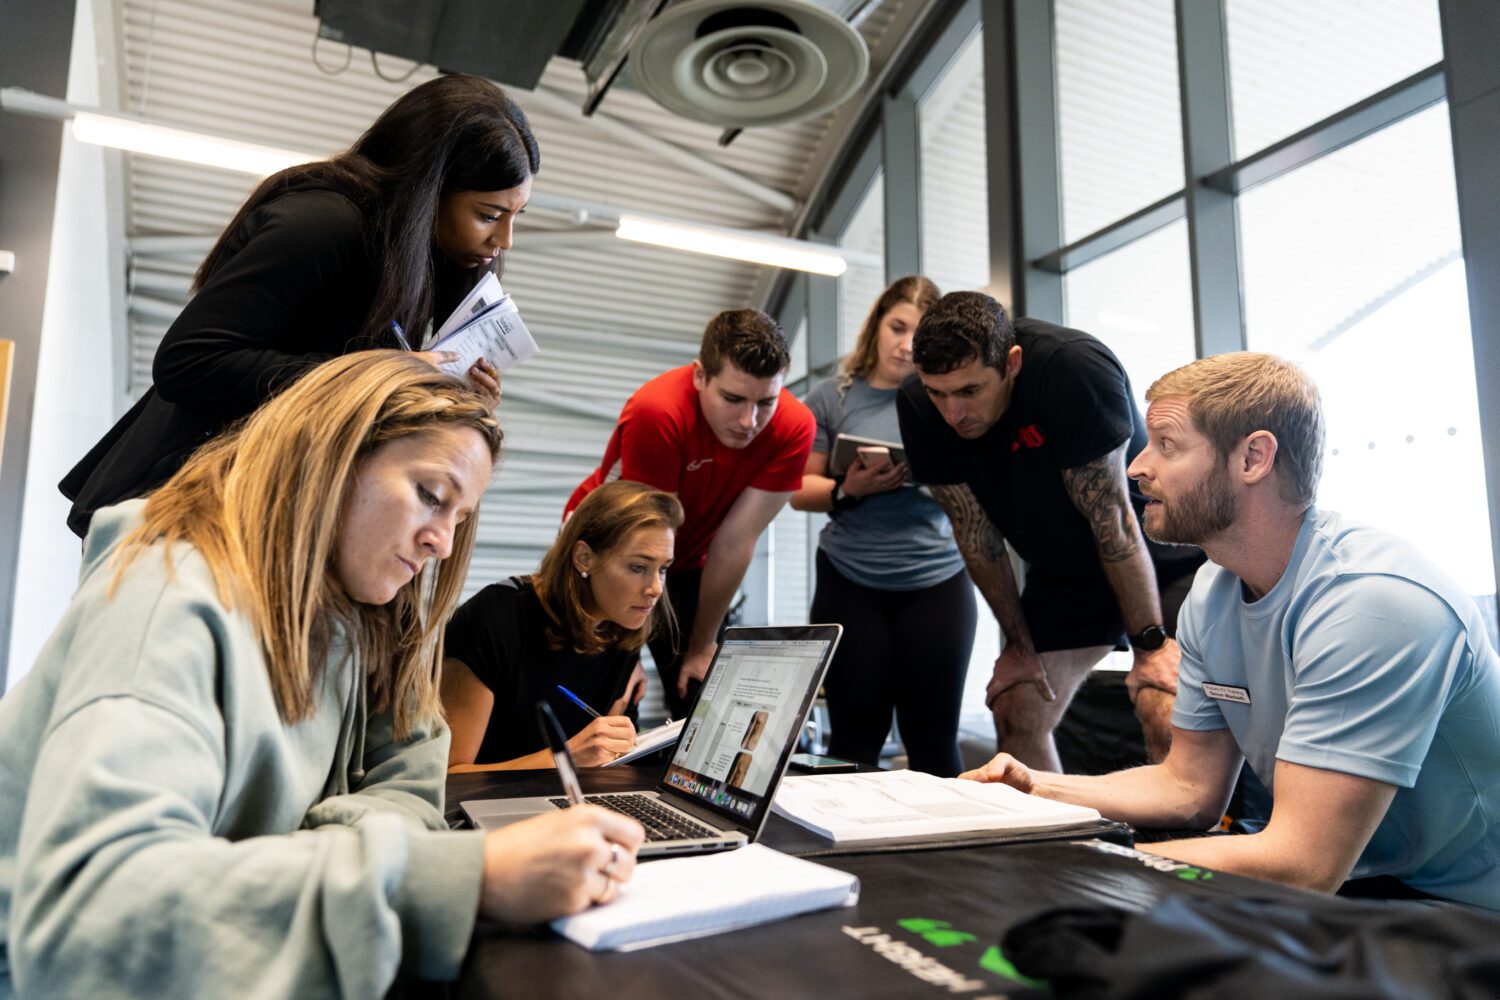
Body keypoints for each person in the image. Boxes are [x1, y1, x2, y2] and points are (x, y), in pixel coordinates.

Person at [0, 353, 645, 998]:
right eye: (430, 496)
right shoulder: (166, 600)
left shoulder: (365, 613)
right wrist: (466, 880)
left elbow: (410, 781)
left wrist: (331, 850)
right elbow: (94, 917)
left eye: (459, 518)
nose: (443, 544)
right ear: (330, 458)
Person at [961, 352, 1500, 909]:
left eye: (1166, 444)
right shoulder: (1213, 590)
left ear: (1253, 458)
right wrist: (1035, 787)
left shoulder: (1373, 603)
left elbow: (1301, 864)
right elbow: (1188, 788)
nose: (1137, 466)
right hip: (1360, 890)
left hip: (1465, 910)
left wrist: (1079, 863)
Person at [59, 72, 535, 537]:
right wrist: (376, 375)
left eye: (516, 216)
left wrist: (453, 400)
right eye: (489, 215)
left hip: (256, 515)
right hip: (174, 510)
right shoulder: (323, 224)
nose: (505, 239)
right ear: (431, 187)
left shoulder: (414, 264)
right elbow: (188, 361)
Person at [897, 291, 1202, 770]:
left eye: (970, 391)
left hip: (1162, 559)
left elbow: (1114, 521)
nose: (953, 414)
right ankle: (1058, 822)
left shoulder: (1071, 368)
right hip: (1065, 575)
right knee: (1016, 707)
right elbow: (976, 536)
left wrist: (1150, 647)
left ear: (1012, 363)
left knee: (1163, 703)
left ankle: (1179, 822)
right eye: (938, 393)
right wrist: (1019, 646)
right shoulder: (918, 406)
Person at [567, 308, 815, 718]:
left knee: (702, 694)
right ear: (700, 376)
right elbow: (643, 543)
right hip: (610, 550)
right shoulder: (658, 410)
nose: (749, 421)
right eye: (732, 399)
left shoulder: (795, 426)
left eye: (765, 402)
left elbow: (735, 541)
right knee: (614, 699)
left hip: (689, 561)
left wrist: (701, 646)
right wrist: (624, 654)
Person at [791, 276, 975, 776]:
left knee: (934, 742)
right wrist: (848, 488)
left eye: (919, 333)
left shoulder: (944, 399)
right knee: (854, 742)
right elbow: (799, 488)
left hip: (936, 579)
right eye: (897, 327)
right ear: (876, 325)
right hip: (850, 580)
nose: (906, 344)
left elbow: (980, 484)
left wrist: (931, 479)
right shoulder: (831, 398)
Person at [442, 481, 683, 770]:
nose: (656, 588)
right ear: (584, 558)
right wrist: (564, 758)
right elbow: (450, 776)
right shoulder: (492, 620)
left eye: (663, 568)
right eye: (638, 567)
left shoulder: (622, 624)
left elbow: (608, 764)